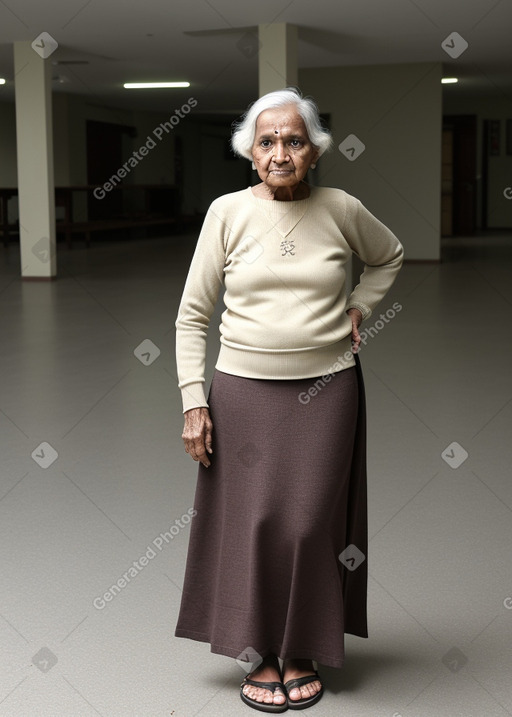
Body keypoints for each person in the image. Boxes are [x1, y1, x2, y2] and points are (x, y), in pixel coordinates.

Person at [174, 87, 403, 712]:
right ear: (250, 152)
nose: (280, 152)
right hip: (241, 392)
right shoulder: (225, 213)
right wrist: (195, 401)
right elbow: (193, 315)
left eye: (294, 141)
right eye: (267, 141)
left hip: (328, 387)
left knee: (309, 524)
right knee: (254, 524)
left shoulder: (341, 208)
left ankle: (302, 646)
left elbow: (388, 258)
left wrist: (360, 306)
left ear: (314, 150)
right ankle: (262, 649)